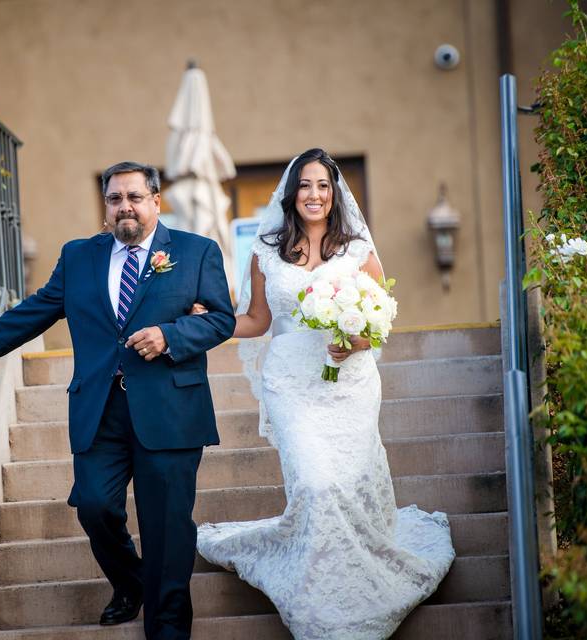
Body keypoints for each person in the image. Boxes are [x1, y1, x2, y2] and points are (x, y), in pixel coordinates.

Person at [0, 161, 235, 640]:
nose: (124, 207)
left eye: (134, 197)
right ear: (106, 206)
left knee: (167, 529)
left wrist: (170, 336)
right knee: (93, 505)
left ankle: (167, 630)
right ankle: (131, 582)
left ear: (155, 200)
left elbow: (220, 319)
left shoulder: (196, 252)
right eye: (114, 199)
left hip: (170, 410)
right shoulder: (79, 256)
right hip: (100, 409)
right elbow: (36, 311)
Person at [194, 149, 455, 639]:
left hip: (348, 383)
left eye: (323, 186)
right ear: (291, 194)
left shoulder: (357, 249)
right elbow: (256, 321)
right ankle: (321, 599)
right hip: (290, 382)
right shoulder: (266, 252)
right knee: (316, 485)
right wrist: (206, 321)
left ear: (334, 195)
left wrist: (356, 340)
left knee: (345, 486)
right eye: (306, 185)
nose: (314, 194)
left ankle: (358, 584)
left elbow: (380, 321)